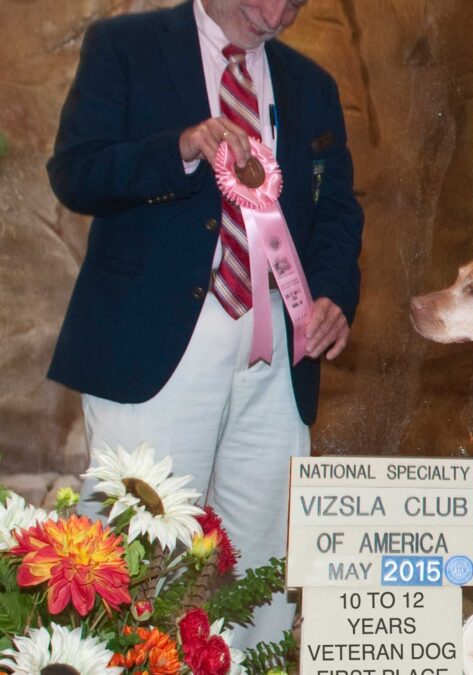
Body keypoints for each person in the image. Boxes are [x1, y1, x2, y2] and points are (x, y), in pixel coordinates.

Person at [46, 0, 363, 647]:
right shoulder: (125, 44)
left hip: (277, 354)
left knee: (265, 566)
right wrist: (181, 148)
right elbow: (76, 173)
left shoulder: (312, 84)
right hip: (153, 344)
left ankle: (254, 663)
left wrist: (332, 295)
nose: (276, 14)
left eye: (295, 2)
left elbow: (337, 213)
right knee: (130, 556)